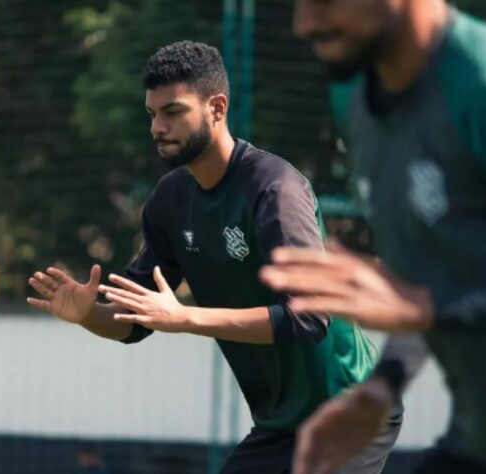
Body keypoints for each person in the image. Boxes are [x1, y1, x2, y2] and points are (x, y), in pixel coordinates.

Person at [27, 41, 400, 474]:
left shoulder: (274, 189)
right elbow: (137, 322)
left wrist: (186, 319)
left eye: (173, 112)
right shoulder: (169, 202)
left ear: (216, 108)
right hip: (283, 425)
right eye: (152, 114)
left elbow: (308, 318)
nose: (157, 128)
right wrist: (89, 314)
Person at [259, 1, 486, 473]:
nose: (305, 23)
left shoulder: (482, 87)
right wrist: (382, 387)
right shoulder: (356, 100)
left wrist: (429, 306)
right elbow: (437, 277)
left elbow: (427, 298)